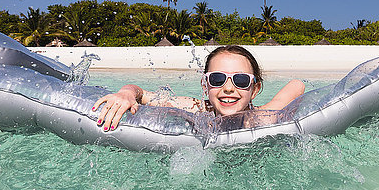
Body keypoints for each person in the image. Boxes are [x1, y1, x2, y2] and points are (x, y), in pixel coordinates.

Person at [92, 45, 305, 131]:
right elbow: (141, 93)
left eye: (240, 80)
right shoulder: (195, 108)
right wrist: (126, 94)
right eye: (218, 79)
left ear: (255, 89)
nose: (228, 88)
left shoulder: (264, 117)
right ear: (205, 85)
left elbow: (297, 85)